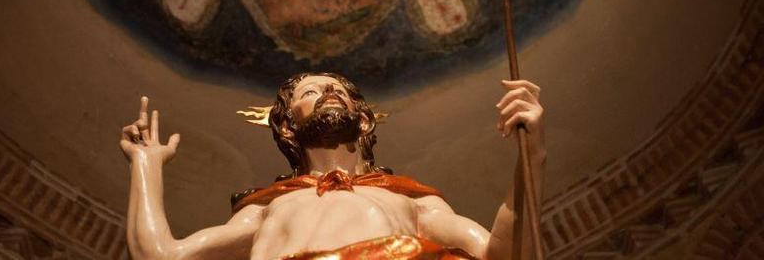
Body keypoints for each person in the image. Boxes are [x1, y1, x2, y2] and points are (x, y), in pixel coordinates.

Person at [120, 72, 545, 259]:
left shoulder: (409, 199)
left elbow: (500, 254)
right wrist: (146, 164)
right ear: (287, 126)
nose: (327, 92)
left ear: (363, 119)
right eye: (311, 91)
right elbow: (162, 255)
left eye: (336, 89)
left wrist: (532, 158)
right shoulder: (267, 207)